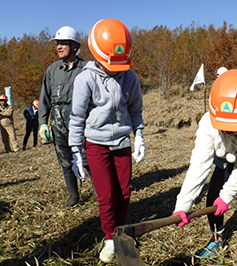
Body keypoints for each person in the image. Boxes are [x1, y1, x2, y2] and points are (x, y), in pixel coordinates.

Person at [173, 69, 237, 265]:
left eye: (235, 129)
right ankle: (217, 241)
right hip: (225, 153)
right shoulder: (208, 123)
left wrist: (227, 195)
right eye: (225, 128)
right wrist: (183, 205)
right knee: (213, 197)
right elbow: (199, 165)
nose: (229, 133)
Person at [68, 19, 145, 263]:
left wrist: (140, 135)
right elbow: (77, 117)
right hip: (96, 143)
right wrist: (76, 151)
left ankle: (119, 232)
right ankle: (109, 237)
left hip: (122, 140)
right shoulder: (85, 79)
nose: (115, 69)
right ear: (97, 55)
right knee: (106, 194)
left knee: (123, 192)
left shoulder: (129, 78)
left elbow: (135, 110)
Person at [38, 26, 92, 209]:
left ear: (75, 46)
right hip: (57, 119)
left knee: (87, 158)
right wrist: (42, 124)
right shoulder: (52, 70)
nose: (58, 47)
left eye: (63, 43)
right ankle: (73, 196)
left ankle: (102, 193)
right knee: (64, 159)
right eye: (57, 43)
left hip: (80, 119)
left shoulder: (87, 68)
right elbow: (44, 99)